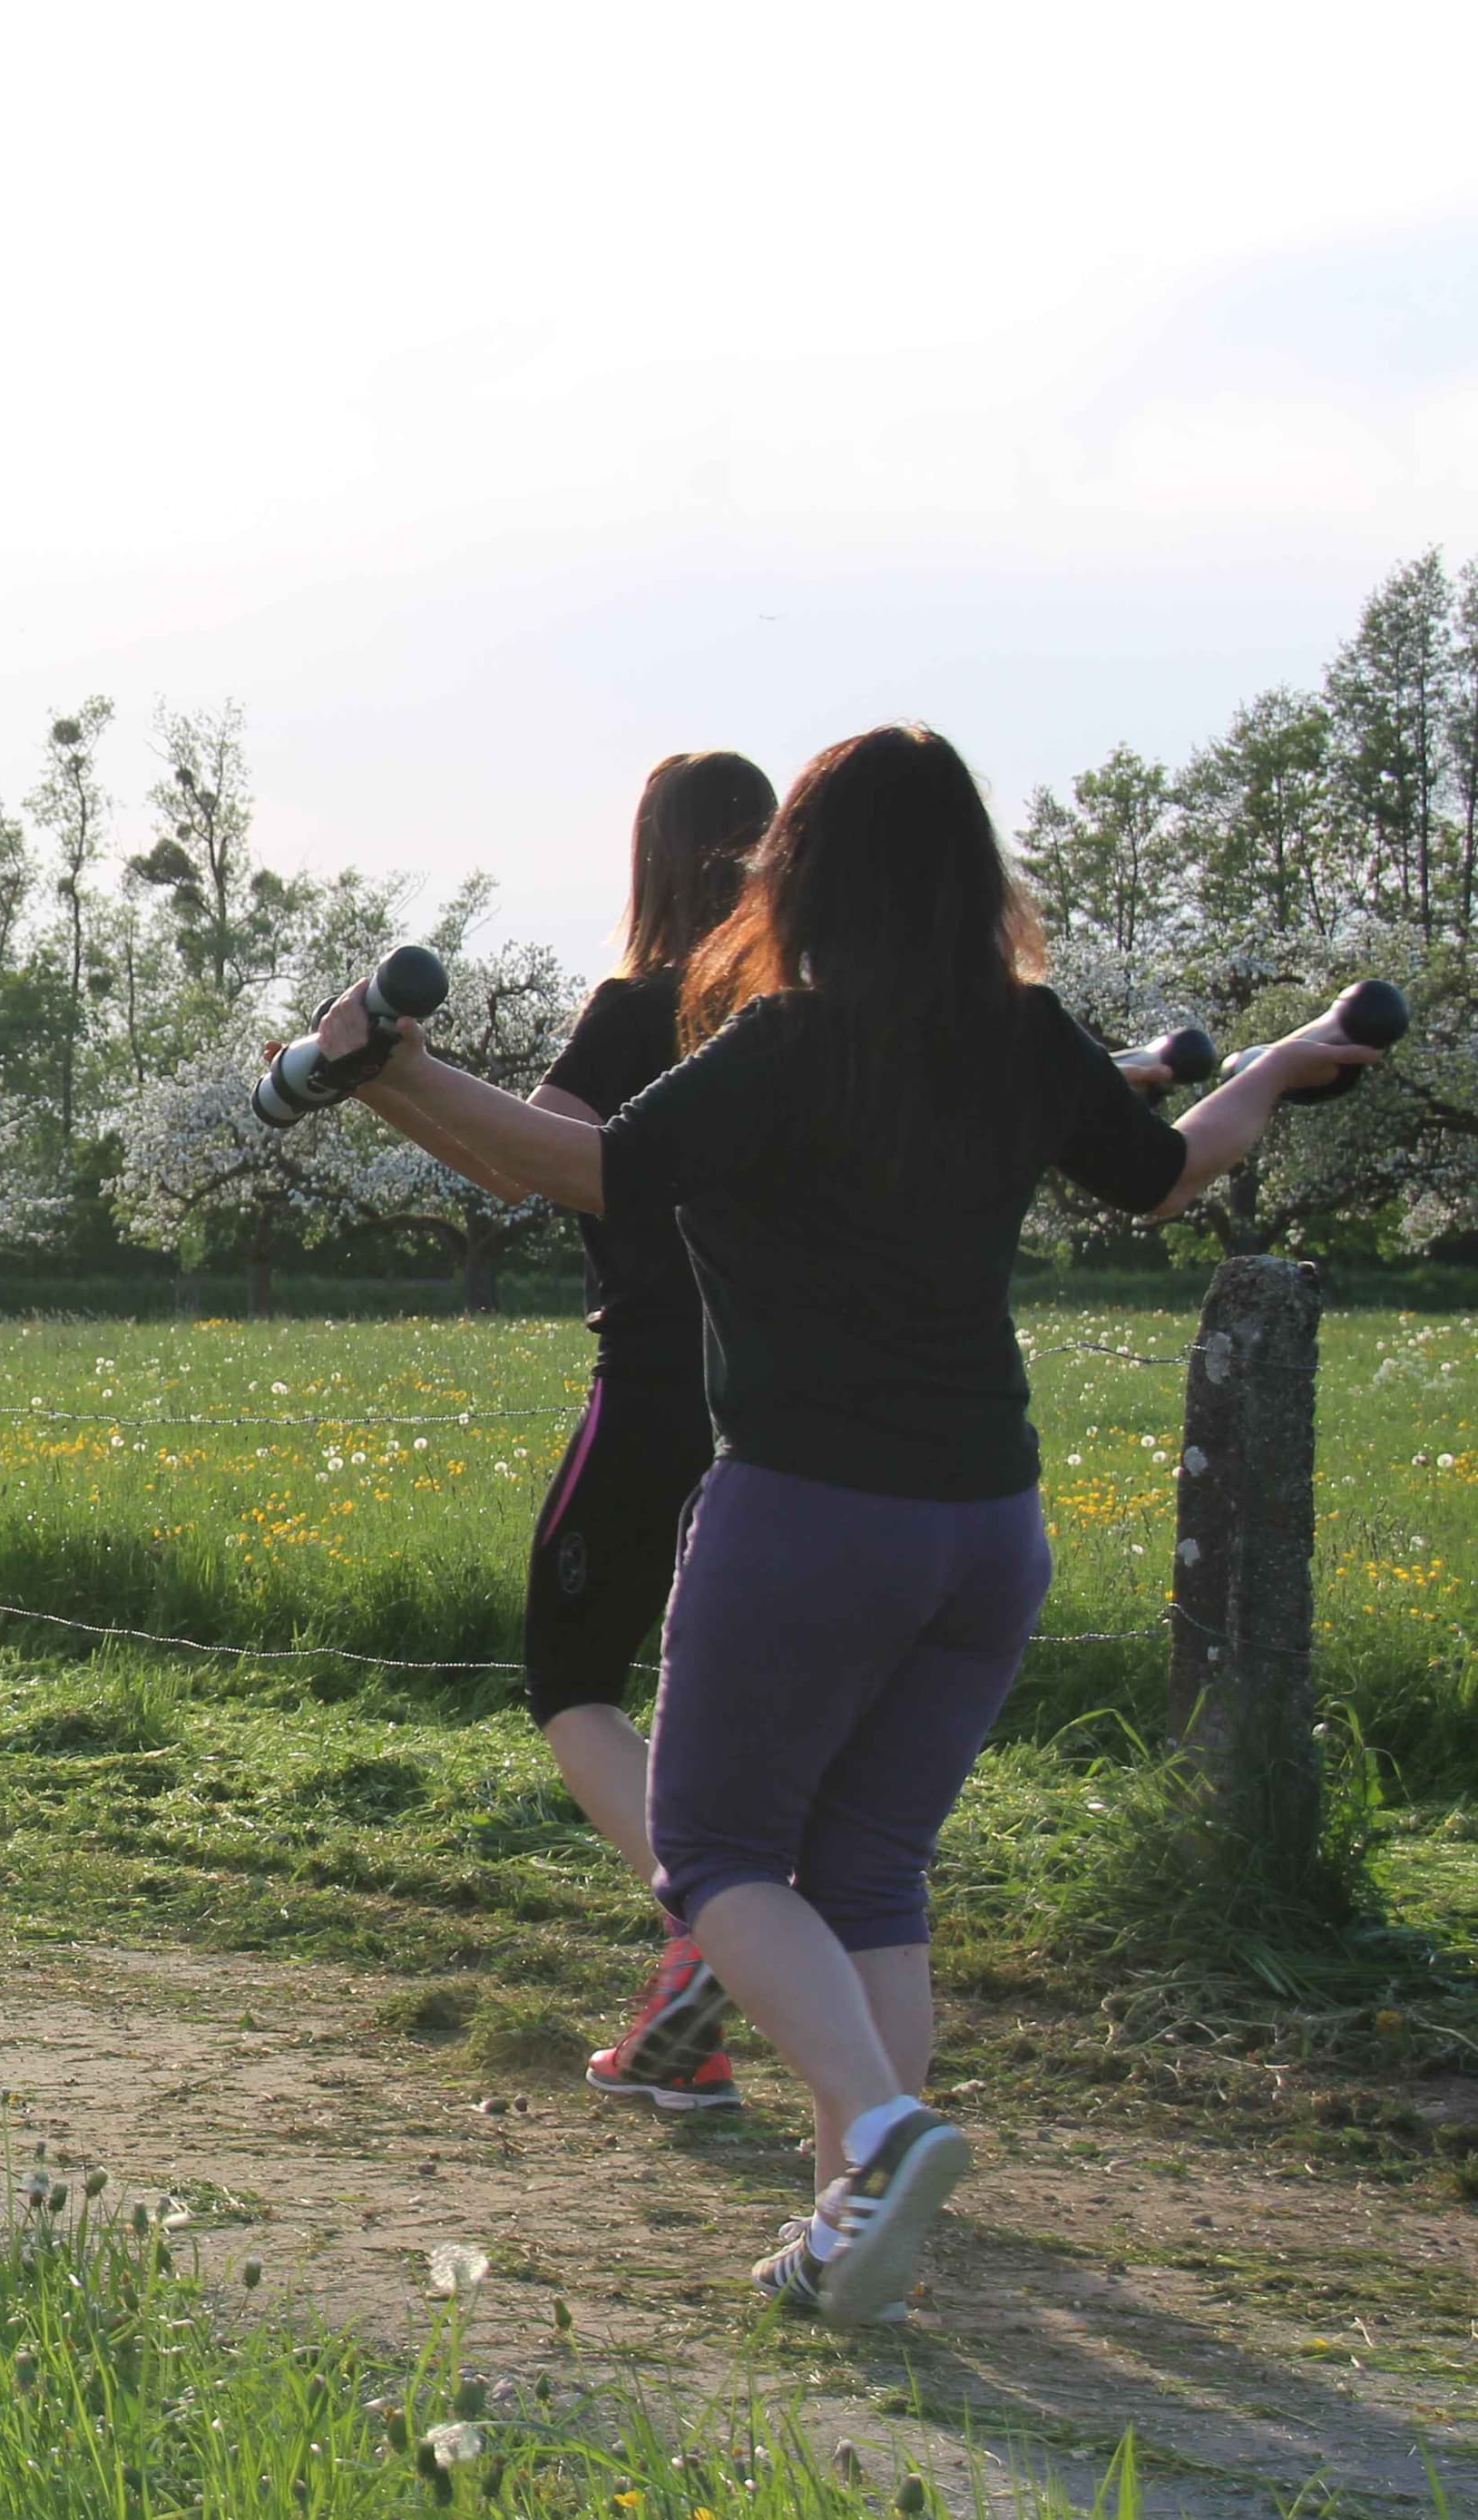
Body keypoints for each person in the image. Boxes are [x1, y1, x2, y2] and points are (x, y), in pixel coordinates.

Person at [324, 723, 1375, 2320]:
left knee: (721, 1850)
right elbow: (1170, 1170)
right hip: (989, 1527)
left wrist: (388, 1067)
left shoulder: (789, 1041)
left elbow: (587, 1163)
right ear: (970, 873)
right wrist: (1289, 1058)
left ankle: (877, 2130)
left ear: (794, 871)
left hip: (810, 1507)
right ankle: (849, 2227)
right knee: (871, 1872)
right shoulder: (1019, 1035)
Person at [361, 753, 776, 2113]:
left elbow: (524, 1162)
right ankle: (695, 2012)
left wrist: (385, 1074)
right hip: (793, 1407)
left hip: (655, 1384)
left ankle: (717, 1926)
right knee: (731, 1705)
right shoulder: (805, 1019)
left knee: (573, 1676)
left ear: (649, 858)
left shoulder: (643, 1005)